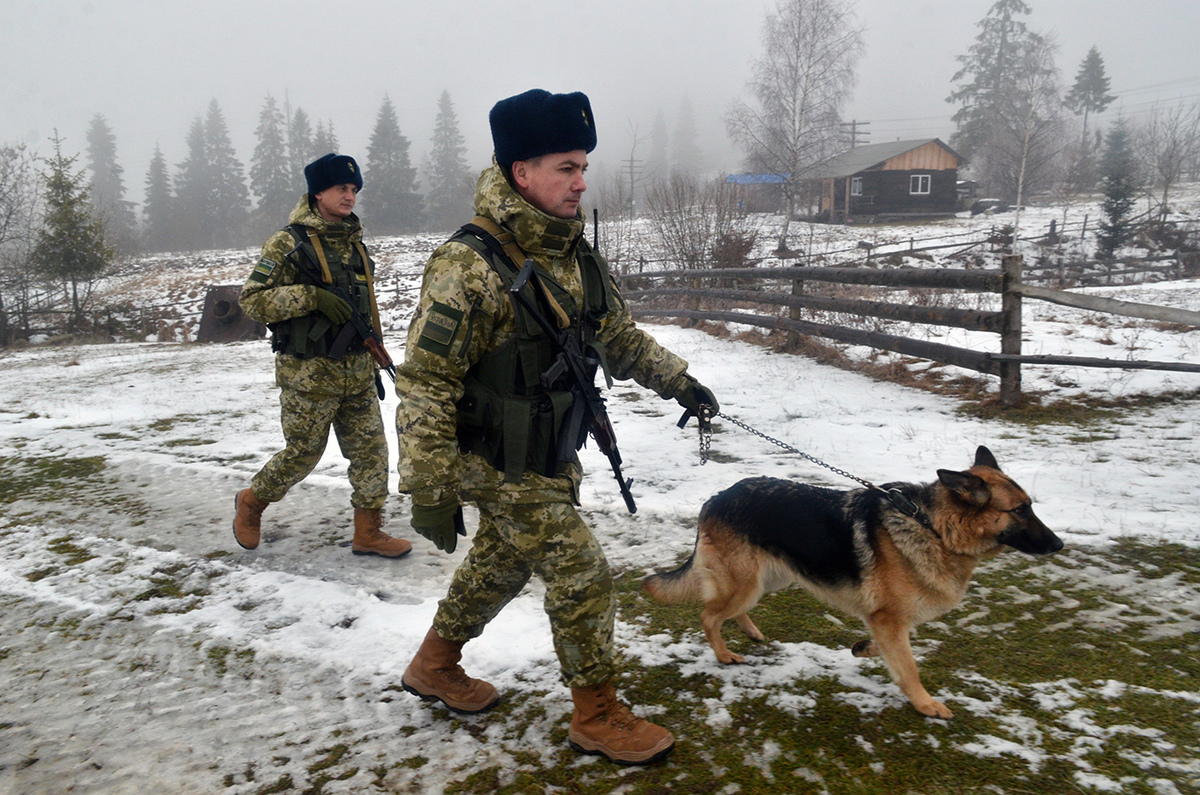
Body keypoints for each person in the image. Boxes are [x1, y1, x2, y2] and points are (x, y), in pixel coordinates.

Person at [394, 89, 717, 765]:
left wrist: (679, 379)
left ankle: (434, 663)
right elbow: (426, 382)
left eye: (583, 166)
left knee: (500, 563)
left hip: (549, 455)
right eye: (566, 167)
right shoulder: (468, 266)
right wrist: (428, 486)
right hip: (492, 459)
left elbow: (616, 335)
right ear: (522, 173)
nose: (581, 181)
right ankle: (596, 714)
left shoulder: (572, 254)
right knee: (582, 574)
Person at [232, 153, 411, 559]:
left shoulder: (354, 244)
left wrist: (376, 354)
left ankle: (369, 532)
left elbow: (367, 308)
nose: (349, 196)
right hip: (308, 375)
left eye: (353, 189)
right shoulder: (289, 243)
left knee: (372, 452)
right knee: (302, 454)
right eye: (340, 189)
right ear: (318, 193)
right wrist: (310, 296)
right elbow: (252, 300)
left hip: (357, 369)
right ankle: (252, 501)